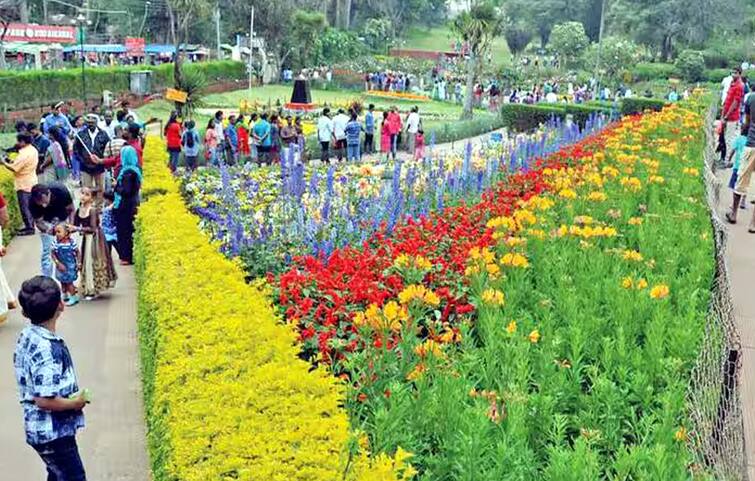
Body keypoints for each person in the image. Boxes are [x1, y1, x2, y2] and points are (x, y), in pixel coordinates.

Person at [13, 276, 88, 480]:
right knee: (74, 476)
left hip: (42, 430)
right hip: (53, 433)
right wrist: (76, 403)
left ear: (24, 311)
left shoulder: (29, 334)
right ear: (61, 306)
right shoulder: (48, 350)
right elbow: (44, 400)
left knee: (57, 474)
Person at [74, 187, 116, 300]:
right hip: (85, 238)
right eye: (82, 193)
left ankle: (93, 289)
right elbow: (76, 224)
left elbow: (93, 228)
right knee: (85, 262)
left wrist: (77, 228)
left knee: (91, 262)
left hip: (94, 239)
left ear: (92, 198)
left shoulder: (92, 210)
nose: (83, 196)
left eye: (87, 194)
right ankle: (87, 288)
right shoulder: (79, 209)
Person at [30, 183, 75, 278]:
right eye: (40, 204)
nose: (43, 205)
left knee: (64, 249)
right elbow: (38, 222)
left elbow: (71, 209)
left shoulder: (61, 191)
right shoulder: (32, 202)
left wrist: (70, 225)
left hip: (62, 219)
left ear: (49, 193)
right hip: (46, 222)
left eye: (44, 201)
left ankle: (66, 277)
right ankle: (46, 279)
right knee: (48, 251)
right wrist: (47, 230)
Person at [2, 133, 39, 235]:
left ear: (23, 142)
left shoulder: (24, 153)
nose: (17, 143)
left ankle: (29, 228)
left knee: (24, 207)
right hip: (31, 180)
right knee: (30, 206)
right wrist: (10, 161)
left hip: (23, 183)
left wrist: (3, 163)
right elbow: (19, 164)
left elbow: (15, 168)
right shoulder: (32, 150)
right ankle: (30, 226)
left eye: (18, 141)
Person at [113, 144, 142, 265]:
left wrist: (116, 186)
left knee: (124, 231)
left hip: (126, 206)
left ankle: (126, 257)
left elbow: (126, 191)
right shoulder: (136, 169)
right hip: (133, 203)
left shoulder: (127, 173)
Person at [76, 114, 110, 199]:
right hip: (85, 167)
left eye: (92, 123)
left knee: (101, 189)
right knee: (86, 190)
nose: (90, 124)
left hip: (99, 166)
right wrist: (83, 160)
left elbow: (108, 148)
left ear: (96, 122)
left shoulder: (103, 134)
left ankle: (99, 208)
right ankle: (89, 208)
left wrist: (102, 160)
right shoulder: (80, 135)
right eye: (89, 123)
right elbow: (76, 150)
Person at [51, 223, 80, 306]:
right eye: (55, 232)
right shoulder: (55, 243)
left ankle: (73, 297)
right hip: (60, 265)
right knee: (62, 281)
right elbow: (52, 254)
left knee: (69, 282)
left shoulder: (71, 242)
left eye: (59, 232)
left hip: (70, 266)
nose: (57, 234)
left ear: (66, 233)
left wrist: (79, 263)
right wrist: (57, 263)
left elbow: (77, 252)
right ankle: (65, 294)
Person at [723, 67, 745, 161]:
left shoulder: (739, 86)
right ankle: (724, 158)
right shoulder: (732, 83)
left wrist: (727, 115)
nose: (733, 75)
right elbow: (728, 99)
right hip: (726, 114)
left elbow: (735, 102)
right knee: (725, 137)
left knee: (729, 138)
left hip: (732, 116)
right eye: (732, 72)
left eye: (735, 73)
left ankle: (727, 160)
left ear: (740, 74)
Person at [101, 191, 118, 258]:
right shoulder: (112, 206)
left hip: (108, 231)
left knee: (108, 249)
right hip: (111, 231)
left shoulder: (108, 209)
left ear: (107, 199)